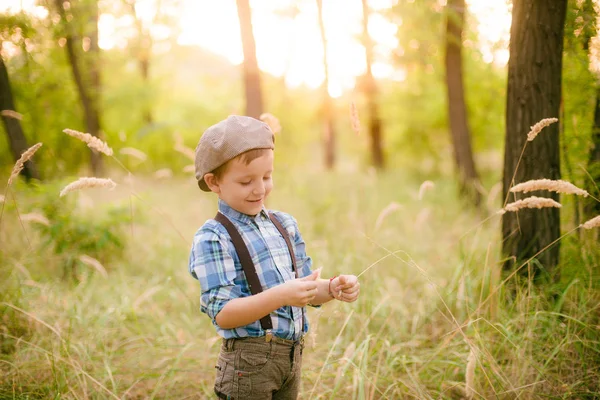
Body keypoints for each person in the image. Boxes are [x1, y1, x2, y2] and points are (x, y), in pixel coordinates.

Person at [188, 115, 360, 399]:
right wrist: (281, 295)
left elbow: (302, 289)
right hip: (248, 364)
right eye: (246, 181)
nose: (260, 189)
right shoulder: (214, 236)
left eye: (267, 177)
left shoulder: (284, 224)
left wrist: (330, 288)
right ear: (214, 182)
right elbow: (223, 314)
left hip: (292, 357)